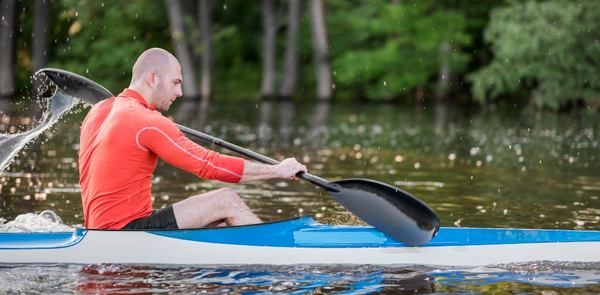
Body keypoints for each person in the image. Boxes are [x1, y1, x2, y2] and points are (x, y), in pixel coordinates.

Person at [79, 48, 307, 230]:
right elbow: (209, 165)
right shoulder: (146, 121)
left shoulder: (98, 111)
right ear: (152, 78)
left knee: (218, 221)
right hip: (124, 233)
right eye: (175, 83)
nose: (179, 92)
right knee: (226, 201)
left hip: (98, 231)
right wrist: (277, 170)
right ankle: (274, 257)